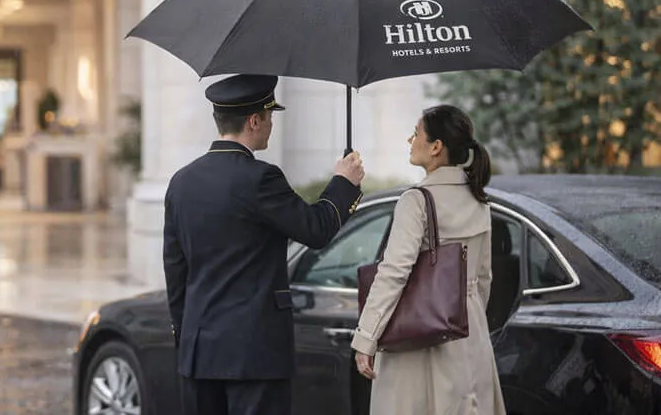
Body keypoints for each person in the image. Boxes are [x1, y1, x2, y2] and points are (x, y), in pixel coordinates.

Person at [163, 74, 366, 415]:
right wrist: (343, 183)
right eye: (270, 116)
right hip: (254, 353)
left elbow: (175, 270)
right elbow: (316, 230)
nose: (271, 125)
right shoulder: (260, 177)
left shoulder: (181, 182)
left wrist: (187, 340)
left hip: (198, 353)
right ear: (254, 120)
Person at [351, 104, 506, 415]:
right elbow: (484, 278)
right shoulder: (479, 200)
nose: (410, 141)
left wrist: (366, 338)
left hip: (419, 342)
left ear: (436, 147)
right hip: (468, 334)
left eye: (416, 134)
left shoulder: (417, 201)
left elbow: (394, 273)